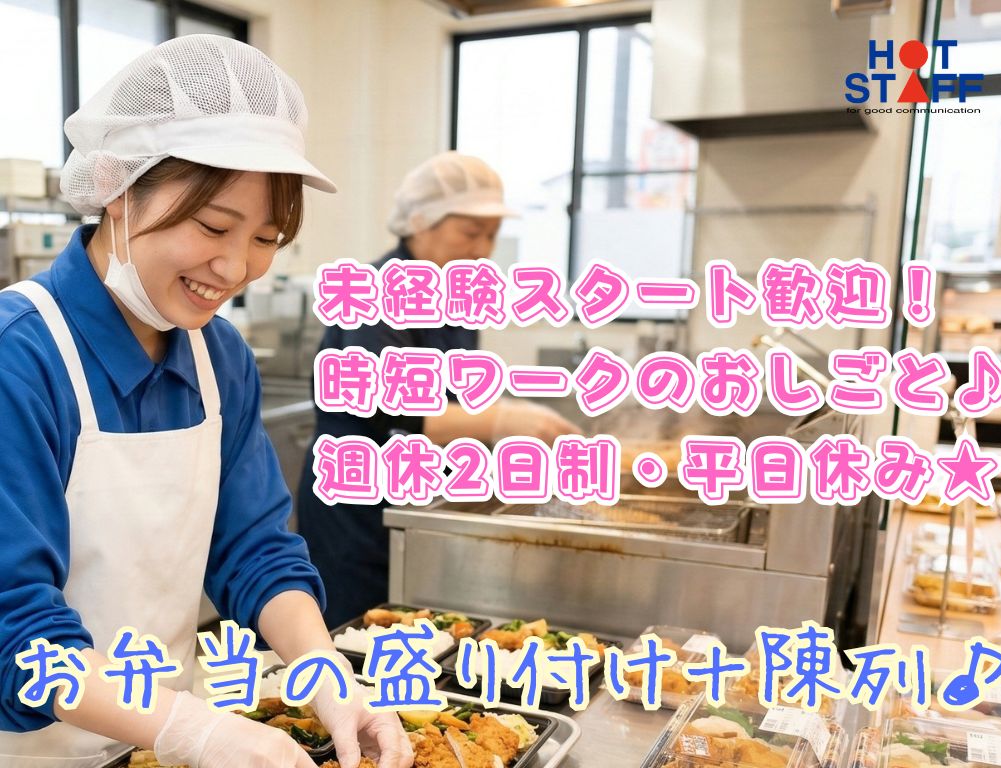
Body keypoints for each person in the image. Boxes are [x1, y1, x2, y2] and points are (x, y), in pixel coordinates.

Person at [0, 35, 411, 768]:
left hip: (151, 748)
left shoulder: (218, 357)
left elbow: (253, 549)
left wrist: (327, 677)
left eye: (266, 237)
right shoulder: (19, 358)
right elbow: (15, 632)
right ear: (118, 187)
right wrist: (197, 731)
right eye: (213, 226)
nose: (235, 266)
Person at [297, 151, 579, 629]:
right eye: (471, 232)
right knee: (353, 635)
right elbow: (396, 409)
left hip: (415, 500)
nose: (483, 249)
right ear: (421, 222)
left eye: (491, 235)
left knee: (413, 634)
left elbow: (456, 400)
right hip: (356, 508)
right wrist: (505, 420)